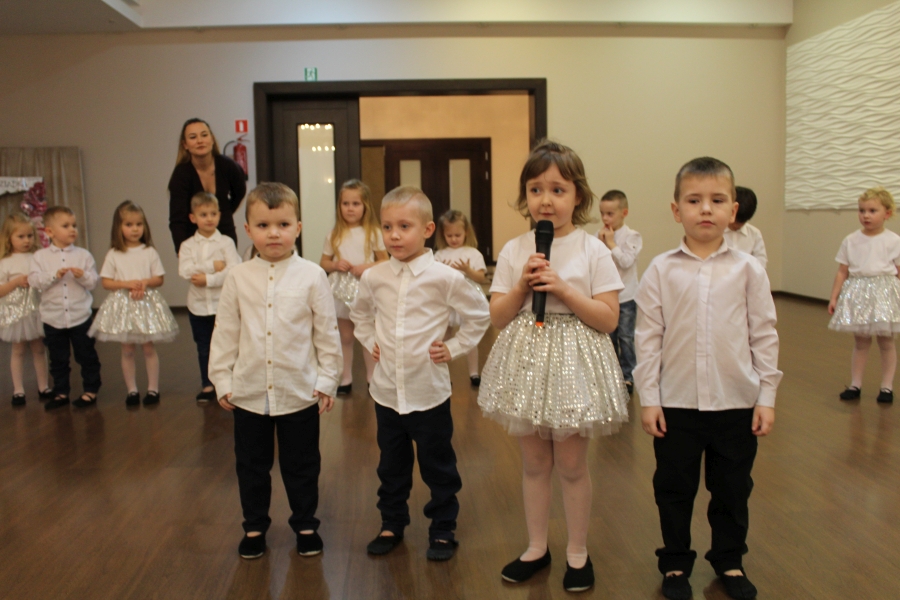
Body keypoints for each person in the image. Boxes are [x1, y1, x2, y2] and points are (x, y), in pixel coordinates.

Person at [478, 140, 629, 593]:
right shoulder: (515, 249)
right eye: (536, 189)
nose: (546, 200)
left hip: (575, 366)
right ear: (525, 195)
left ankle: (577, 552)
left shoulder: (593, 250)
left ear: (577, 195)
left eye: (558, 190)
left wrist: (562, 288)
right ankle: (536, 547)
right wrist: (521, 287)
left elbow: (609, 318)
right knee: (534, 463)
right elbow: (498, 317)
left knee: (572, 465)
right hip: (527, 362)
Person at [635, 157, 782, 600]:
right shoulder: (660, 269)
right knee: (674, 489)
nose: (705, 209)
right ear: (676, 210)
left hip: (735, 402)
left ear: (732, 210)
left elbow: (764, 333)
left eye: (717, 200)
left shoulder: (749, 269)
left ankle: (729, 560)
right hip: (677, 404)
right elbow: (648, 337)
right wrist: (649, 397)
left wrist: (767, 396)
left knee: (732, 489)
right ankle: (675, 563)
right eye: (694, 200)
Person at [350, 186, 490, 562]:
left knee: (438, 465)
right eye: (387, 227)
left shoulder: (445, 278)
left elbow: (480, 314)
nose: (394, 235)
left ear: (428, 230)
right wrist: (370, 340)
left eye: (404, 226)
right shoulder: (374, 277)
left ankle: (443, 529)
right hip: (387, 394)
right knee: (391, 466)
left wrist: (454, 348)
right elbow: (360, 314)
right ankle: (391, 523)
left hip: (428, 393)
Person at [209, 182, 341, 560]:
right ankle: (254, 526)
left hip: (299, 390)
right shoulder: (238, 277)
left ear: (297, 227)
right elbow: (226, 331)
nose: (273, 234)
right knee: (252, 465)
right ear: (248, 230)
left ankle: (305, 524)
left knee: (302, 464)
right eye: (263, 225)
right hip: (249, 391)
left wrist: (328, 379)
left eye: (283, 225)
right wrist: (221, 379)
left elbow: (326, 332)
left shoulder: (312, 275)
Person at [89, 201, 179, 406]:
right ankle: (132, 390)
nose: (135, 229)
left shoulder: (149, 251)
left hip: (146, 304)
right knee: (127, 350)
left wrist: (145, 282)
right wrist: (126, 284)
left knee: (148, 348)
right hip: (124, 306)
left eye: (139, 224)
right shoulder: (114, 253)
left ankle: (153, 389)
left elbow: (159, 279)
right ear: (118, 227)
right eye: (129, 224)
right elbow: (106, 282)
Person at [828, 186, 900, 403]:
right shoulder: (851, 240)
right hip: (858, 292)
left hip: (884, 293)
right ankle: (855, 384)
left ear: (887, 213)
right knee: (860, 341)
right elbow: (842, 271)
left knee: (886, 341)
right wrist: (834, 297)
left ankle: (886, 387)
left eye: (872, 211)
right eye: (862, 210)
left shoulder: (893, 240)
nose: (866, 215)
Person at [28, 206, 102, 410]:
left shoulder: (84, 255)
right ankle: (61, 392)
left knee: (86, 355)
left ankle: (91, 390)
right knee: (58, 358)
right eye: (66, 226)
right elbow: (34, 280)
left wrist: (83, 276)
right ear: (49, 231)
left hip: (80, 316)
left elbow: (93, 282)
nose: (72, 230)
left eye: (74, 225)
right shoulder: (40, 257)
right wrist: (54, 275)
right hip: (53, 318)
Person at [320, 179, 387, 395]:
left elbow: (385, 261)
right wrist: (335, 265)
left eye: (356, 204)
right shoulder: (334, 234)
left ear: (365, 206)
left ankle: (372, 378)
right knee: (345, 336)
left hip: (366, 288)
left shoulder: (374, 232)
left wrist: (366, 266)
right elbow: (323, 262)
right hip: (340, 291)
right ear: (339, 206)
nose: (350, 208)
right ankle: (345, 378)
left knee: (368, 335)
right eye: (345, 203)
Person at [178, 192, 241, 403]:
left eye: (213, 213)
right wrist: (212, 266)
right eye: (203, 214)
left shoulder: (226, 243)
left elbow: (233, 269)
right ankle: (208, 384)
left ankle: (231, 382)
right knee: (204, 346)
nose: (209, 218)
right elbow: (185, 271)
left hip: (222, 304)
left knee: (229, 343)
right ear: (193, 218)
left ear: (220, 215)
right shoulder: (188, 245)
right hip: (198, 306)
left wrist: (208, 279)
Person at [168, 118, 247, 253]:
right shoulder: (181, 175)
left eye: (204, 135)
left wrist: (224, 213)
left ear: (212, 139)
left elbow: (240, 192)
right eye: (193, 137)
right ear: (185, 144)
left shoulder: (228, 166)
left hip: (225, 233)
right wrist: (182, 252)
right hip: (193, 237)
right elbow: (177, 220)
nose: (200, 141)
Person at [0, 212, 51, 405]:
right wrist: (16, 282)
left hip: (36, 309)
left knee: (39, 348)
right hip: (16, 313)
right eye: (20, 236)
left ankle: (43, 386)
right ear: (9, 238)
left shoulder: (37, 258)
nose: (26, 240)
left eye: (29, 236)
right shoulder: (5, 262)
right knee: (18, 350)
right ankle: (18, 389)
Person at [434, 209, 488, 387]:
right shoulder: (439, 255)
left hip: (467, 298)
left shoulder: (473, 253)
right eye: (449, 235)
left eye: (457, 235)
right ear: (443, 235)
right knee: (443, 335)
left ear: (466, 232)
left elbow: (481, 277)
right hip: (446, 300)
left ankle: (474, 373)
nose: (454, 239)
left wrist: (467, 270)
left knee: (470, 335)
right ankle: (442, 374)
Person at [598, 189, 643, 394]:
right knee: (609, 338)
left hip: (626, 297)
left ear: (624, 213)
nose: (605, 218)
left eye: (610, 214)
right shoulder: (599, 236)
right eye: (603, 213)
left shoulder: (632, 236)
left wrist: (611, 244)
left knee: (625, 337)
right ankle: (612, 377)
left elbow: (626, 262)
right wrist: (601, 244)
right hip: (607, 297)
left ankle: (628, 376)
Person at [723, 186, 768, 269]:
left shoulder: (754, 234)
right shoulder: (717, 231)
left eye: (741, 223)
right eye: (735, 221)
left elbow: (761, 262)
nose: (736, 226)